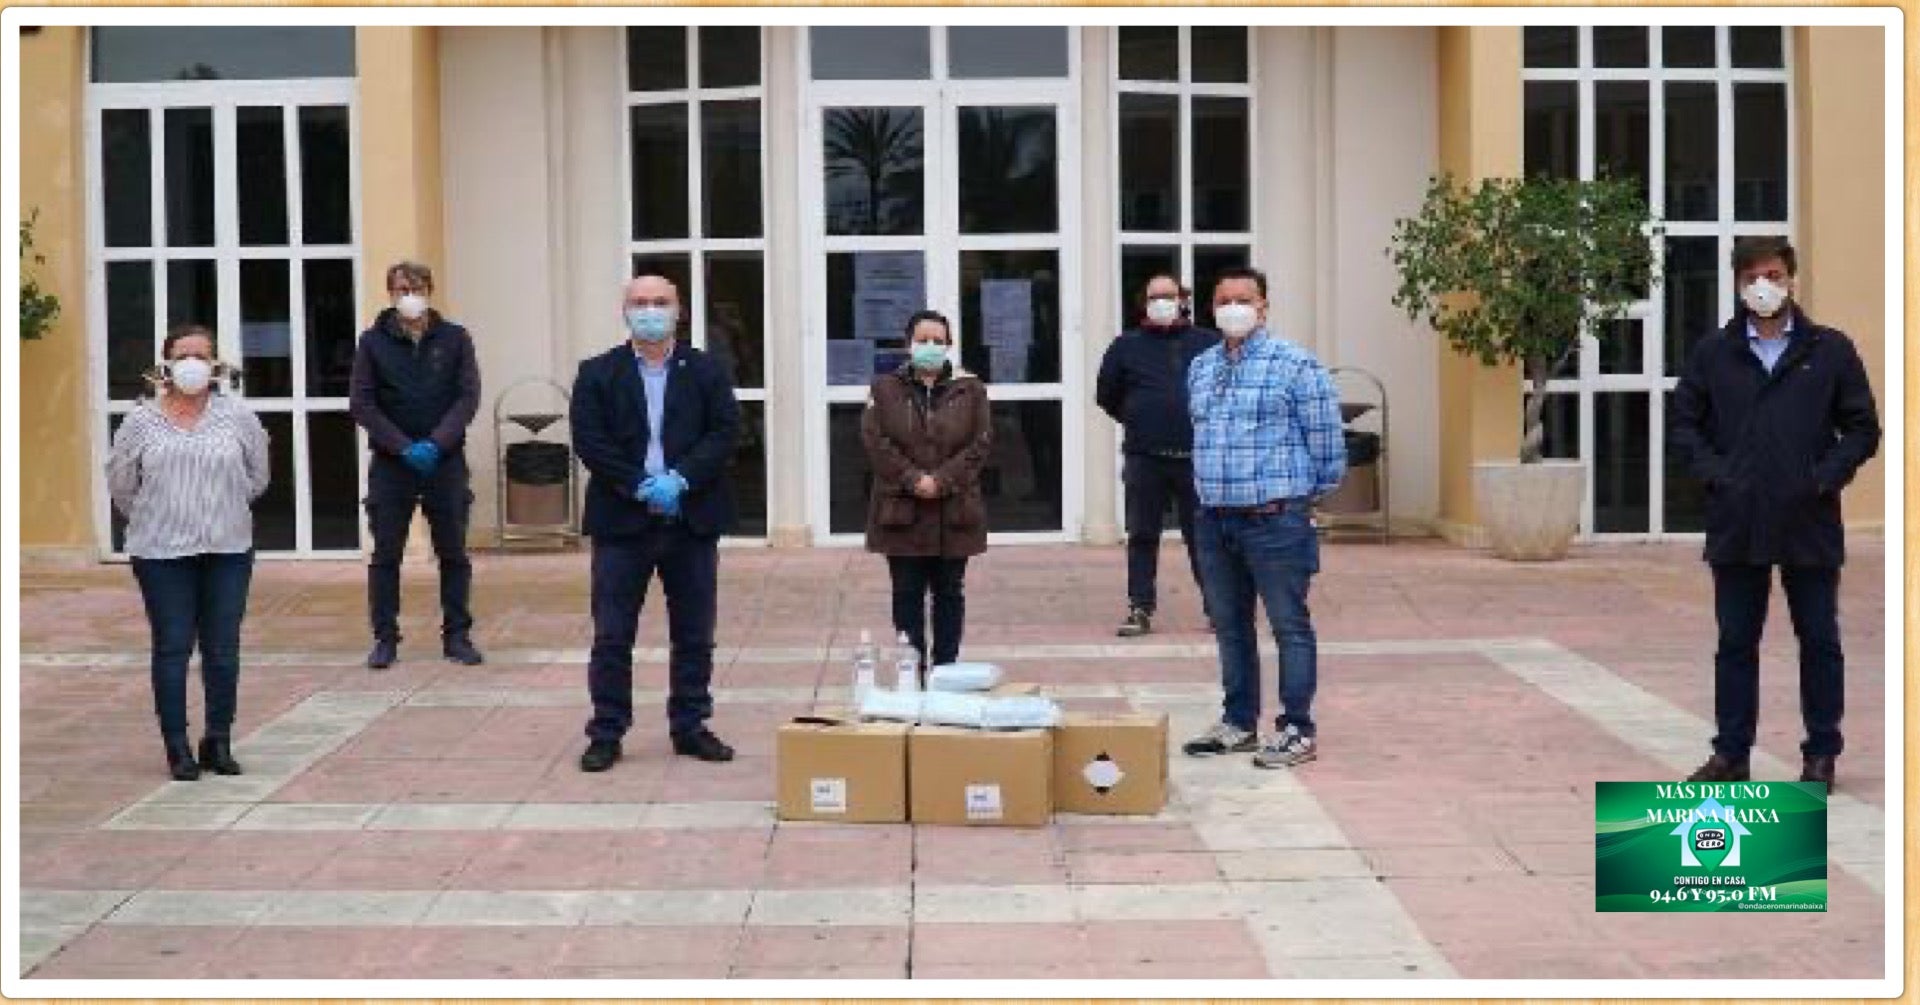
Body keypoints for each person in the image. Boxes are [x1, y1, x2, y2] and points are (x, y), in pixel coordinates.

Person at [1670, 237, 1880, 787]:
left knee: (1819, 640)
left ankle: (1821, 754)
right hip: (1737, 521)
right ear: (1739, 284)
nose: (1764, 286)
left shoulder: (1829, 351)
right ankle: (1730, 755)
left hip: (1807, 519)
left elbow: (1862, 428)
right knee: (1736, 642)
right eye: (1752, 277)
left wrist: (1823, 477)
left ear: (1790, 278)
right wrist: (1718, 476)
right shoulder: (1714, 354)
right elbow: (1684, 425)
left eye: (1773, 274)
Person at [571, 274, 743, 772]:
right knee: (611, 634)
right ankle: (606, 731)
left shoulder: (707, 370)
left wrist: (681, 479)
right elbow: (591, 440)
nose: (650, 311)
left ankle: (690, 726)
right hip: (622, 520)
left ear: (679, 310)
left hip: (691, 518)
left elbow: (724, 431)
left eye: (660, 302)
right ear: (624, 311)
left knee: (694, 632)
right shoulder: (597, 372)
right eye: (640, 303)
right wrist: (638, 485)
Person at [1180, 267, 1346, 769]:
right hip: (1214, 521)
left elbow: (1327, 447)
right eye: (1223, 300)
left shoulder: (1296, 365)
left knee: (1288, 625)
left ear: (1264, 306)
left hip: (1275, 521)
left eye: (1243, 299)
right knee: (1230, 627)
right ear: (1212, 308)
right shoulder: (1202, 366)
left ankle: (1297, 728)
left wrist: (1294, 500)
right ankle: (1238, 723)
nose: (1233, 308)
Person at [107, 325, 270, 780]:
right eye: (184, 355)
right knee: (173, 646)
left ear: (215, 364)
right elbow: (122, 484)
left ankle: (218, 739)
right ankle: (177, 746)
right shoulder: (140, 420)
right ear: (165, 364)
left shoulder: (237, 415)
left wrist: (224, 508)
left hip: (228, 547)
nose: (193, 364)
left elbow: (258, 476)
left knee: (222, 648)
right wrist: (156, 515)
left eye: (202, 355)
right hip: (161, 552)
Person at [349, 261, 484, 669]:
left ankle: (457, 635)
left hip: (445, 462)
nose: (409, 294)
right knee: (386, 555)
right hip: (392, 464)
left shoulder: (455, 339)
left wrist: (437, 442)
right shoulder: (372, 342)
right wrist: (403, 446)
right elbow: (362, 403)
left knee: (453, 552)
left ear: (430, 289)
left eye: (417, 286)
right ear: (389, 293)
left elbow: (467, 397)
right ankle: (385, 637)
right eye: (401, 288)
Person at [862, 310, 993, 676]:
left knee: (950, 593)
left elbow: (980, 444)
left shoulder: (971, 389)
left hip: (955, 511)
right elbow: (875, 442)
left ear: (949, 345)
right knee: (906, 593)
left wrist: (943, 481)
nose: (930, 347)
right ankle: (911, 669)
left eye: (938, 340)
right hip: (900, 511)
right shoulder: (884, 389)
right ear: (908, 345)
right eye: (923, 340)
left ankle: (945, 671)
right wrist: (913, 479)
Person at [1096, 273, 1221, 637]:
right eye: (1155, 296)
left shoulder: (1208, 343)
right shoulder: (1125, 346)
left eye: (1169, 295)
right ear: (1143, 303)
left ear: (1184, 299)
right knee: (1142, 535)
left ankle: (1217, 608)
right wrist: (1138, 416)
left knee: (1202, 537)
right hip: (1145, 457)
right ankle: (1140, 607)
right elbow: (1107, 394)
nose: (1162, 302)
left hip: (1195, 459)